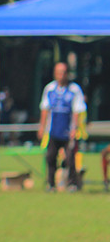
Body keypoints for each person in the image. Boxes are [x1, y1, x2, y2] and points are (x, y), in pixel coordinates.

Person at [38, 62, 86, 192]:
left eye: (63, 72)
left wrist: (74, 128)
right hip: (53, 130)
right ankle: (51, 184)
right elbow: (45, 109)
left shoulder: (74, 89)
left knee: (70, 158)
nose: (61, 75)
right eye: (58, 72)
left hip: (68, 130)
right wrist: (42, 127)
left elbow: (77, 110)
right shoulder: (49, 89)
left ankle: (72, 184)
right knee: (50, 157)